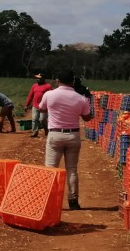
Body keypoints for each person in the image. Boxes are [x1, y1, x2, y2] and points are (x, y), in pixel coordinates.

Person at [38, 69, 93, 210]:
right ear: (73, 82)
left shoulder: (49, 95)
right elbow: (87, 117)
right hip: (73, 135)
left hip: (55, 134)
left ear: (57, 80)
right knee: (72, 169)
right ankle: (73, 200)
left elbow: (41, 109)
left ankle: (49, 201)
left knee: (50, 169)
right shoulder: (81, 98)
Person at [24, 73, 53, 137]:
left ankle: (46, 130)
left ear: (43, 79)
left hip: (44, 106)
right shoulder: (34, 86)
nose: (37, 79)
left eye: (39, 78)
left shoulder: (48, 86)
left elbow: (52, 96)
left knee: (42, 119)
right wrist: (26, 105)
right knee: (34, 119)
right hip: (35, 105)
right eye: (37, 78)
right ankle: (35, 132)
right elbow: (30, 96)